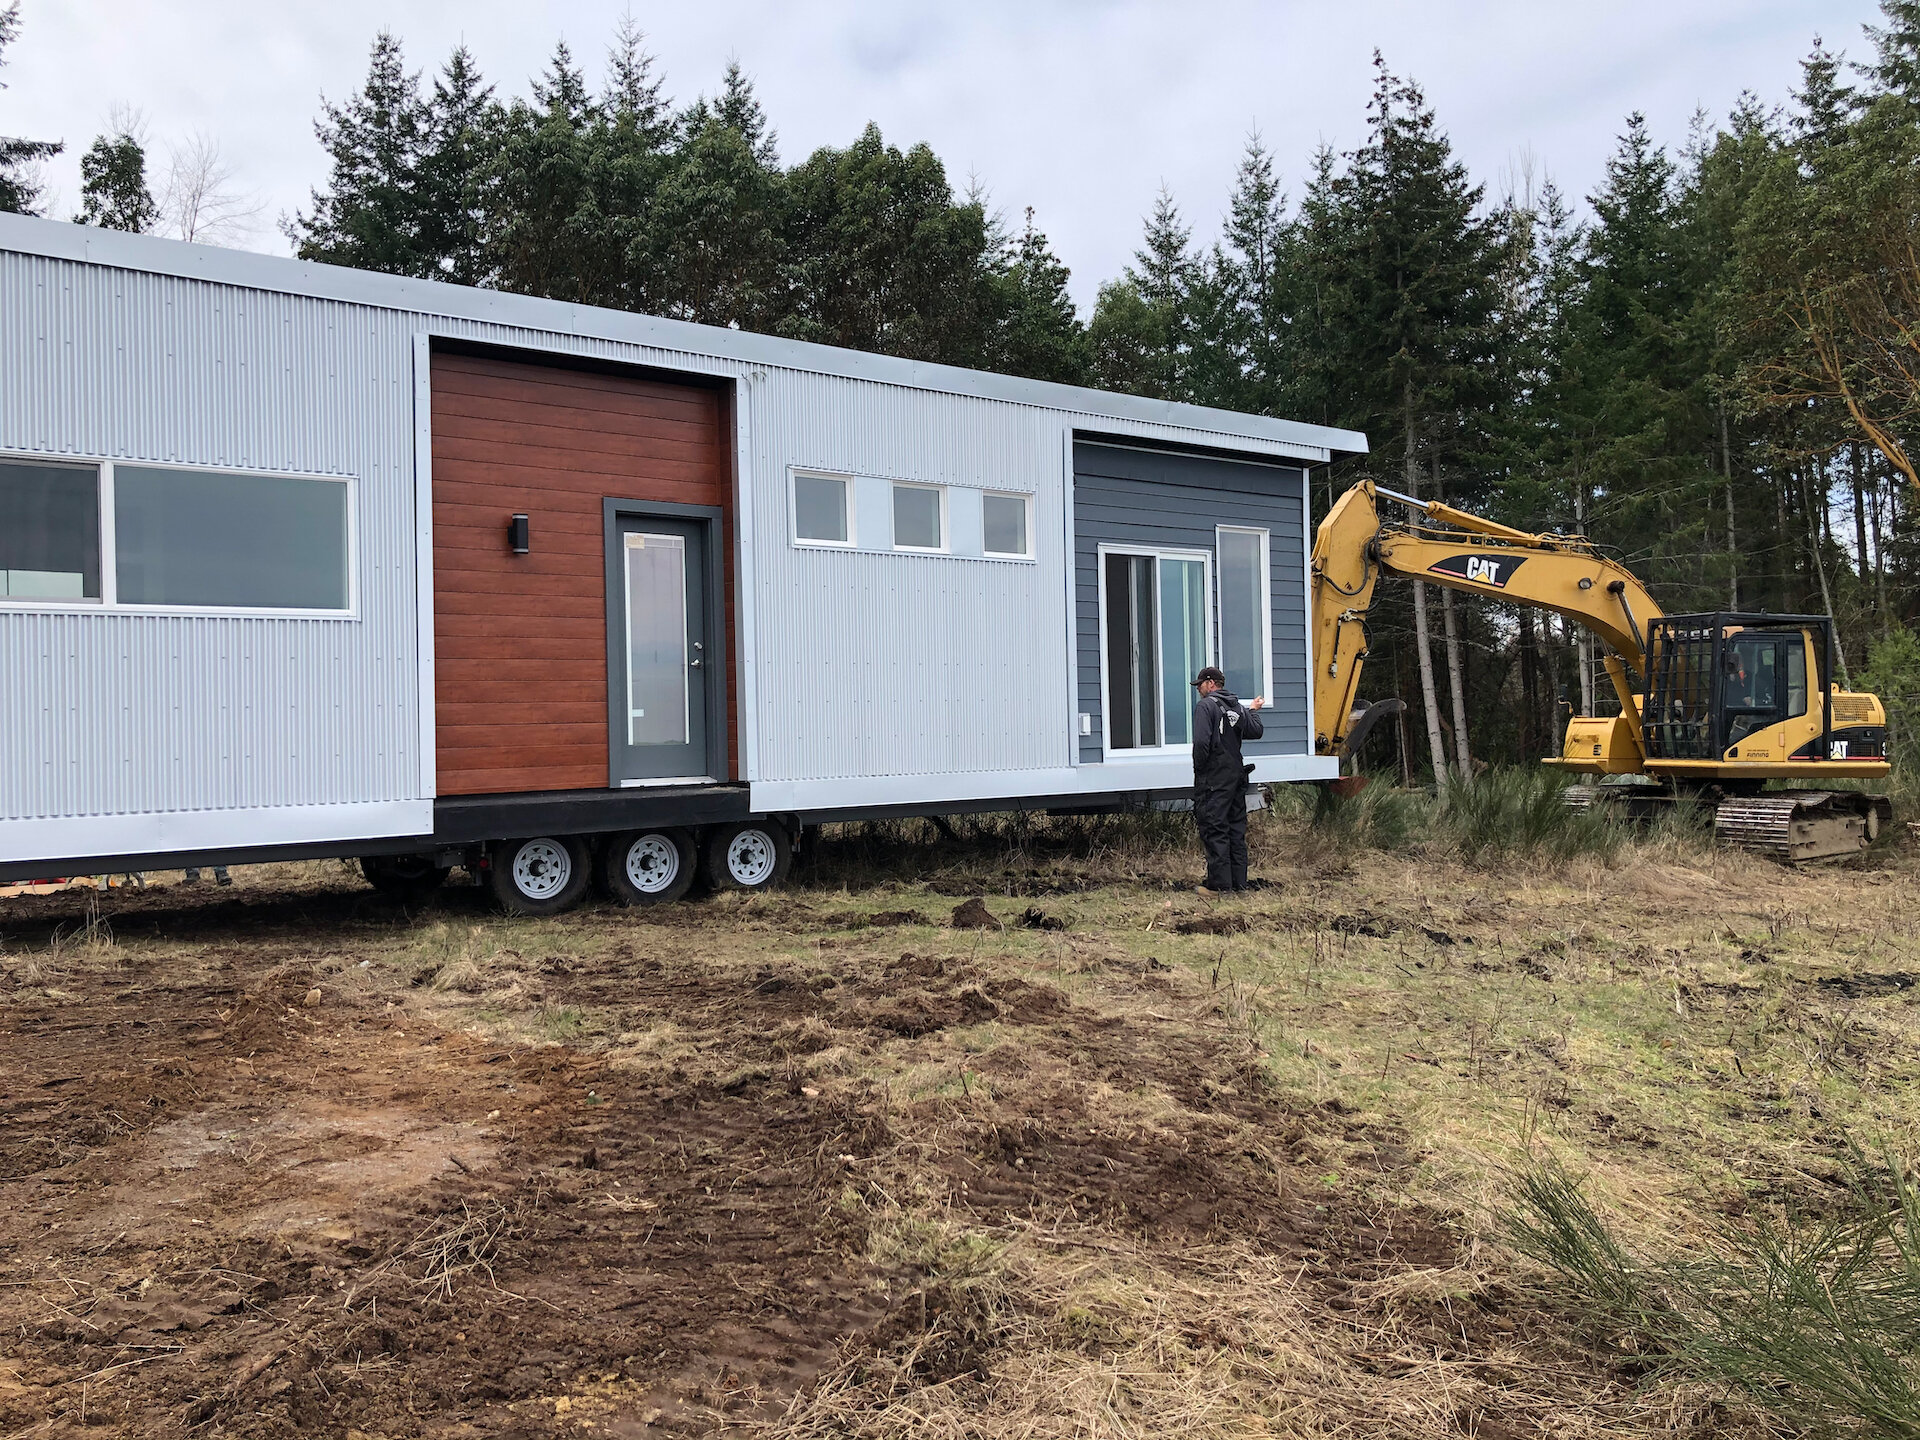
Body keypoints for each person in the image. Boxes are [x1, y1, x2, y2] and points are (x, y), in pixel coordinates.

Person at [1191, 666, 1265, 896]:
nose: (1199, 689)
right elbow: (1256, 731)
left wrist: (1200, 768)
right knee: (1235, 829)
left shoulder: (1206, 706)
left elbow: (1202, 743)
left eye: (1200, 684)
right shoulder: (1236, 707)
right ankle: (1239, 885)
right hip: (1236, 774)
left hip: (1215, 776)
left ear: (1211, 683)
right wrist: (1253, 710)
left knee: (1215, 827)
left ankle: (1220, 887)